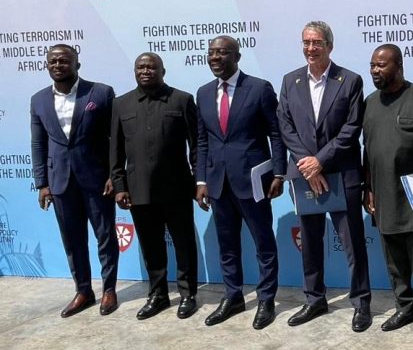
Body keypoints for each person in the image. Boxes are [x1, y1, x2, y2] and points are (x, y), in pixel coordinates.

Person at [277, 21, 372, 332]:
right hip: (304, 175)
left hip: (341, 174)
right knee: (310, 242)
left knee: (353, 244)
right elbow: (285, 126)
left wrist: (320, 161)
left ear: (329, 46)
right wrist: (308, 166)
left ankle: (361, 303)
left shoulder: (350, 80)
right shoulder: (290, 81)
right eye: (306, 42)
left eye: (317, 42)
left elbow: (351, 129)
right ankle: (314, 298)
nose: (310, 48)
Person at [195, 36, 287, 329]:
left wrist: (279, 173)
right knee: (227, 244)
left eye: (222, 52)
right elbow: (202, 141)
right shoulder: (203, 93)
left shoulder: (259, 88)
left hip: (253, 180)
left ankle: (266, 299)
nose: (215, 57)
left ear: (236, 56)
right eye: (211, 52)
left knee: (263, 242)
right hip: (217, 182)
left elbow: (276, 134)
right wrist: (201, 180)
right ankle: (233, 296)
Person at [362, 44, 413, 343]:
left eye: (381, 65)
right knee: (394, 260)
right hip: (382, 194)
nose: (375, 70)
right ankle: (405, 308)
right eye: (372, 65)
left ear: (399, 66)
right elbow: (368, 150)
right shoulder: (370, 103)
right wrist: (368, 188)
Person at [30, 44, 119, 317]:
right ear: (47, 65)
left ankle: (109, 289)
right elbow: (38, 143)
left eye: (64, 61)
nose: (58, 65)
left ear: (77, 65)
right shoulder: (38, 100)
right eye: (53, 61)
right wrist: (42, 183)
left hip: (97, 179)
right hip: (60, 181)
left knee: (105, 236)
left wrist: (114, 174)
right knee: (72, 240)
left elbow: (116, 137)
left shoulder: (100, 92)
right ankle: (83, 291)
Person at [110, 52, 199, 320]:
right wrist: (119, 185)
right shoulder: (121, 104)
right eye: (141, 67)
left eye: (151, 67)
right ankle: (158, 294)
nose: (146, 71)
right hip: (139, 189)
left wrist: (199, 180)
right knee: (151, 246)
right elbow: (115, 150)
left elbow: (196, 146)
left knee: (184, 244)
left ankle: (188, 294)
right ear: (134, 71)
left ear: (163, 71)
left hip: (177, 187)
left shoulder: (182, 100)